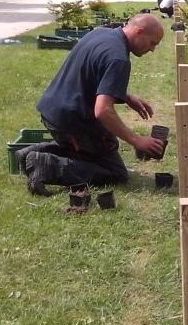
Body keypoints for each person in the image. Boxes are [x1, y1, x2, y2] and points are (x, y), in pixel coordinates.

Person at [18, 14, 166, 196]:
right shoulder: (119, 58)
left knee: (104, 148)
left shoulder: (101, 33)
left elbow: (91, 71)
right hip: (71, 121)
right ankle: (47, 166)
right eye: (153, 43)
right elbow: (103, 111)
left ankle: (31, 154)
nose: (152, 50)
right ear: (139, 32)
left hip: (52, 109)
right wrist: (137, 140)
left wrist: (125, 96)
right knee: (115, 173)